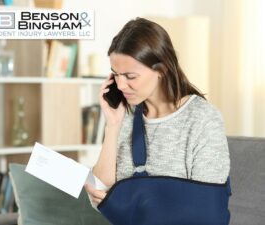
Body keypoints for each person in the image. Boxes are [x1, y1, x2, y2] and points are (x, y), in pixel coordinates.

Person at [85, 17, 230, 209]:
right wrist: (112, 125)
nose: (120, 85)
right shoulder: (125, 116)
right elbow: (99, 195)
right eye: (116, 74)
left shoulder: (203, 120)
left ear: (161, 70)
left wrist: (126, 205)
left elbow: (205, 206)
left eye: (130, 76)